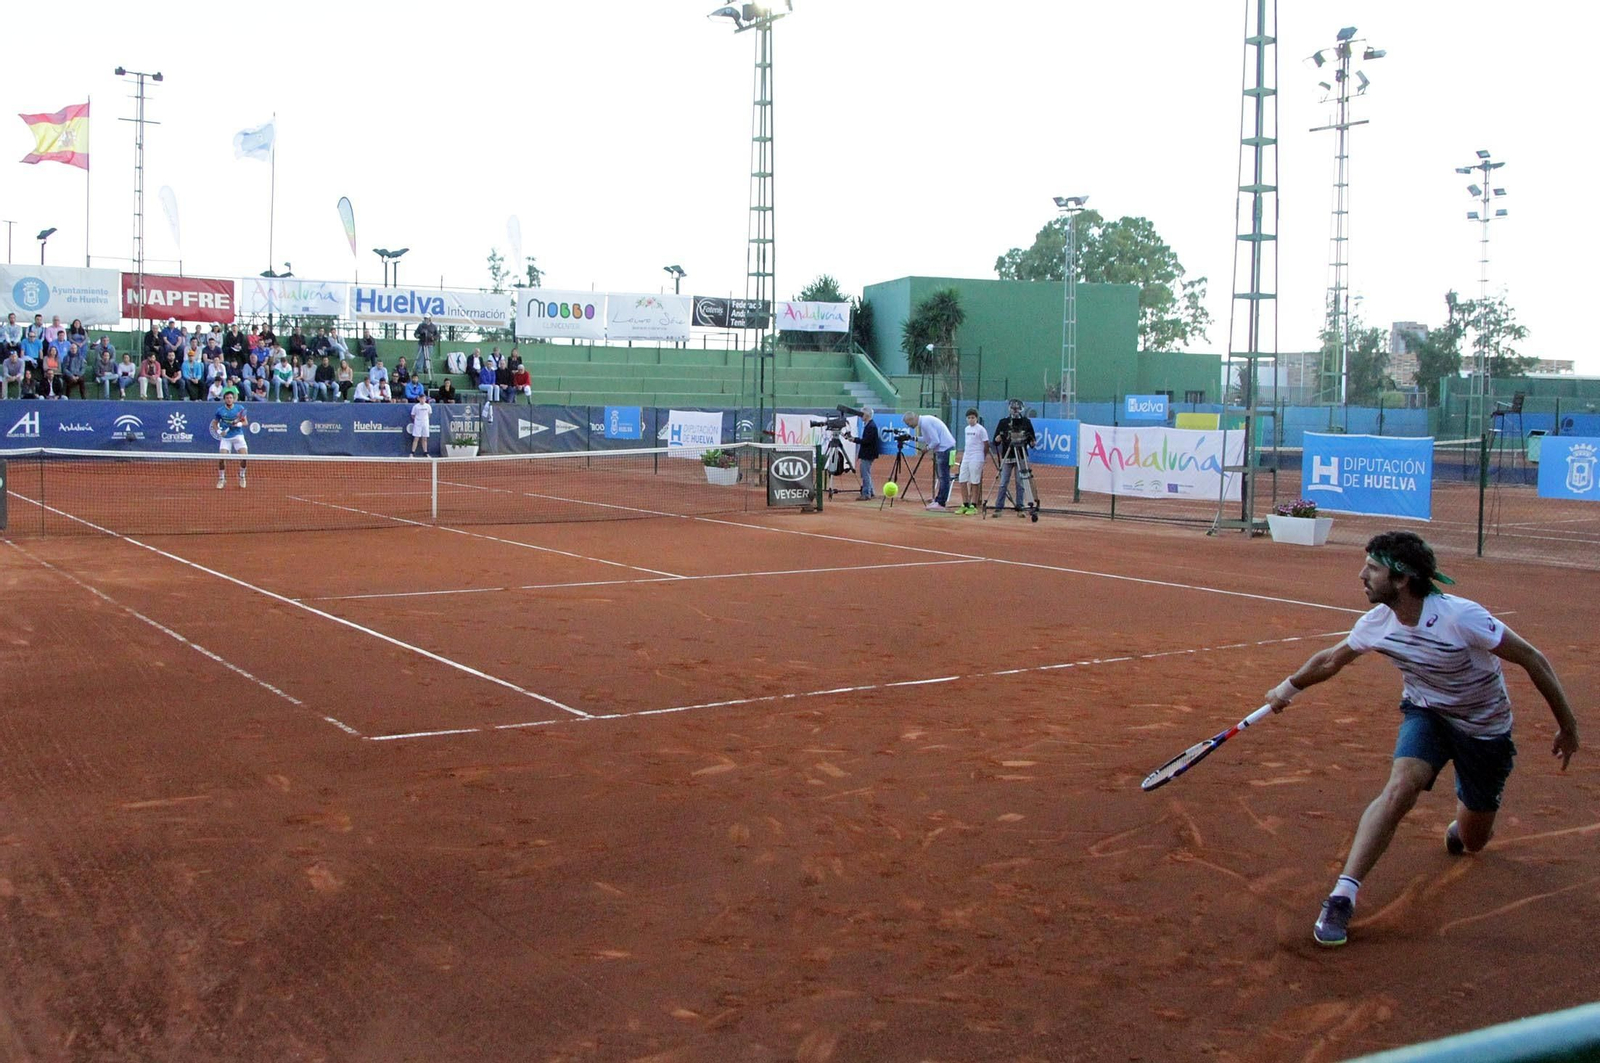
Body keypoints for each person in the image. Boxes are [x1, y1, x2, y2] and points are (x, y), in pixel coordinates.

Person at [1262, 531, 1581, 949]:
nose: (1362, 575)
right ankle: (1343, 895)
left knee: (1473, 841)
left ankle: (1460, 827)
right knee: (1400, 787)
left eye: (1372, 569)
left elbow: (1533, 659)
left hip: (1484, 729)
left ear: (1401, 579)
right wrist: (1285, 690)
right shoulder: (1376, 624)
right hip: (1426, 714)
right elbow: (1330, 660)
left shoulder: (1460, 618)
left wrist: (1568, 727)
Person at [902, 412, 957, 510]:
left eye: (908, 424)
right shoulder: (924, 422)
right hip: (945, 449)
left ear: (912, 419)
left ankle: (941, 503)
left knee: (943, 477)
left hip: (945, 450)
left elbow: (935, 441)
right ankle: (938, 500)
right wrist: (913, 438)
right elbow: (928, 439)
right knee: (942, 477)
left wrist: (926, 449)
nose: (909, 426)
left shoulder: (925, 423)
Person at [992, 399, 1038, 515]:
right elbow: (995, 441)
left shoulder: (1026, 422)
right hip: (1008, 455)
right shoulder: (1003, 422)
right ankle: (999, 507)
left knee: (1020, 482)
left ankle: (1020, 507)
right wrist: (997, 439)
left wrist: (1032, 442)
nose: (1015, 411)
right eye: (1013, 408)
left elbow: (1032, 439)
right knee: (1003, 482)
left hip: (1021, 455)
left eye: (1017, 408)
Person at [213, 386, 250, 489]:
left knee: (245, 458)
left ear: (233, 399)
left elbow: (245, 422)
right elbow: (215, 423)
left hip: (238, 436)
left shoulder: (240, 408)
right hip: (226, 438)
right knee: (221, 459)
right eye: (227, 398)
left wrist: (239, 424)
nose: (229, 399)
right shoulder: (220, 411)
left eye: (231, 398)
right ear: (224, 399)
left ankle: (242, 476)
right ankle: (222, 479)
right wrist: (219, 431)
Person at [957, 409, 989, 515]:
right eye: (969, 418)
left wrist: (982, 457)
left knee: (975, 481)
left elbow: (986, 444)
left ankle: (973, 505)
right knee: (962, 479)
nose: (971, 420)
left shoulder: (981, 430)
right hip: (967, 457)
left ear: (976, 418)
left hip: (977, 457)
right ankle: (965, 504)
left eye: (973, 417)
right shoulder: (966, 429)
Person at [849, 408, 882, 500]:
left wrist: (854, 440)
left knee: (865, 474)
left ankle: (866, 493)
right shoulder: (870, 425)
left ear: (867, 415)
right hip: (868, 453)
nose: (861, 416)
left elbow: (867, 441)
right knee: (866, 473)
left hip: (868, 454)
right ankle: (870, 492)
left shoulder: (871, 426)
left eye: (862, 414)